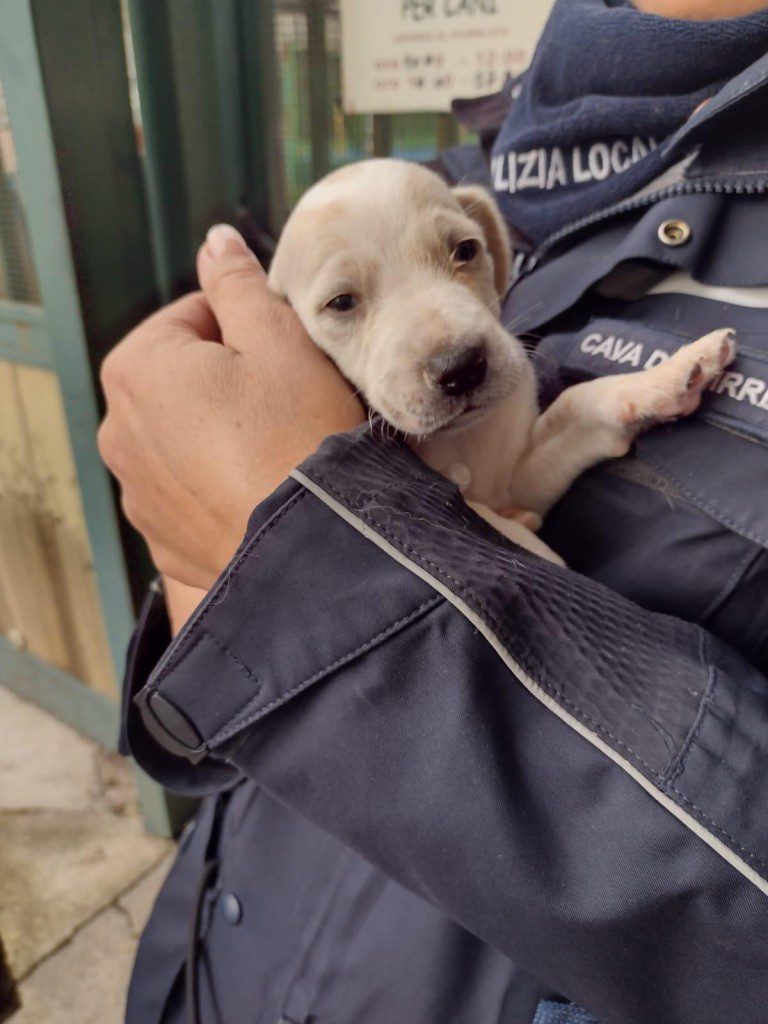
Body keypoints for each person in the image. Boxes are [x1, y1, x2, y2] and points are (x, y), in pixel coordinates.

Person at [98, 1, 768, 1021]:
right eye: (345, 304)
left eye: (457, 256)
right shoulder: (529, 129)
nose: (449, 330)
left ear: (489, 249)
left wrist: (321, 570)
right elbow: (207, 746)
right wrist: (207, 576)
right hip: (220, 951)